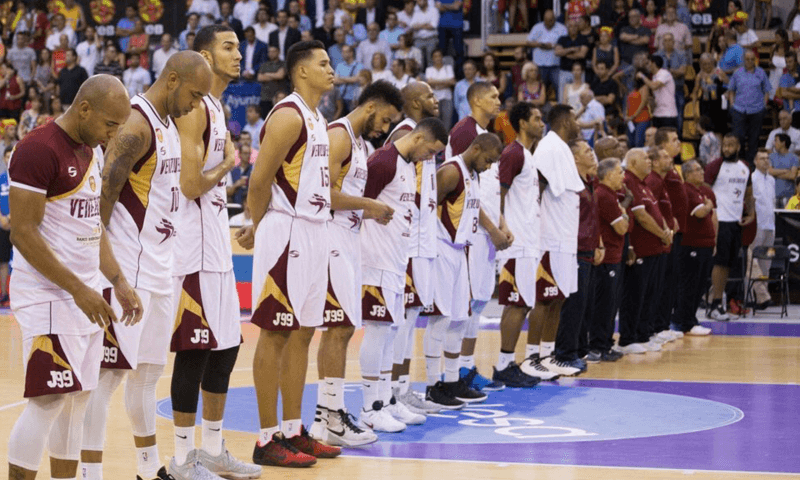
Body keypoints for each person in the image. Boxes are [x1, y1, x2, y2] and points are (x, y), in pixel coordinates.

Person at [78, 52, 214, 480]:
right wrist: (106, 272)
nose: (196, 105)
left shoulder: (169, 124)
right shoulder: (136, 125)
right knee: (107, 378)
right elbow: (101, 201)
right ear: (172, 79)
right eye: (194, 94)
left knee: (149, 374)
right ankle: (89, 473)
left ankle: (148, 467)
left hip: (161, 266)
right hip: (127, 270)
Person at [7, 75, 140, 480]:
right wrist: (80, 289)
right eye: (110, 124)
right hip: (47, 295)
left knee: (77, 399)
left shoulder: (91, 150)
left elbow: (93, 229)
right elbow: (24, 233)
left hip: (85, 295)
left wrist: (118, 282)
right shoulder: (37, 149)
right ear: (84, 108)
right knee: (48, 399)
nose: (114, 133)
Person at [246, 40, 339, 468]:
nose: (331, 69)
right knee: (275, 332)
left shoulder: (318, 117)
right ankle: (266, 439)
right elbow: (259, 180)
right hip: (287, 232)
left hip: (316, 230)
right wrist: (257, 223)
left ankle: (293, 430)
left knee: (303, 332)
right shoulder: (287, 114)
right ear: (301, 71)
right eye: (323, 64)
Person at [310, 80, 402, 445]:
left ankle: (326, 416)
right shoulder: (340, 135)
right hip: (330, 240)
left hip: (350, 240)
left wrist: (369, 213)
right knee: (338, 328)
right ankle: (329, 417)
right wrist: (370, 206)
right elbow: (325, 195)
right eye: (385, 119)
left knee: (345, 328)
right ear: (370, 107)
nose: (384, 128)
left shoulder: (362, 145)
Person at [358, 118, 448, 429]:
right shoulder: (383, 161)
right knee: (378, 331)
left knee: (391, 333)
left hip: (397, 260)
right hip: (375, 260)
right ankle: (370, 408)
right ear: (418, 136)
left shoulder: (409, 166)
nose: (429, 157)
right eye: (430, 150)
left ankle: (386, 400)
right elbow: (354, 205)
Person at [423, 133, 506, 407]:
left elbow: (474, 208)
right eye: (488, 159)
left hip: (461, 251)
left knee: (460, 317)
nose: (489, 166)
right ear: (476, 147)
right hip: (441, 248)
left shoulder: (473, 174)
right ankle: (432, 386)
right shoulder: (449, 171)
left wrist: (493, 228)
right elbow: (425, 206)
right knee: (441, 318)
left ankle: (450, 380)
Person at [445, 82, 509, 395]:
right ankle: (453, 372)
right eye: (493, 95)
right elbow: (464, 189)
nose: (499, 100)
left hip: (485, 232)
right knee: (467, 304)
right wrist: (493, 227)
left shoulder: (487, 136)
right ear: (475, 99)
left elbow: (488, 191)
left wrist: (501, 221)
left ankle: (467, 367)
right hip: (468, 232)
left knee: (480, 300)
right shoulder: (464, 132)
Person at [387, 81, 446, 416]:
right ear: (411, 101)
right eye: (428, 96)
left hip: (424, 241)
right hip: (407, 242)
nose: (434, 100)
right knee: (401, 321)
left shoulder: (423, 134)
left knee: (410, 319)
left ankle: (403, 389)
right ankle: (393, 393)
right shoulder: (404, 134)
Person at [518, 104, 585, 376]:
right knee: (544, 300)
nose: (579, 124)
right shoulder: (548, 147)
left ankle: (548, 356)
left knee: (558, 299)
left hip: (566, 239)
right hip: (550, 238)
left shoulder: (562, 148)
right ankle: (531, 357)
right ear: (566, 120)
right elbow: (539, 187)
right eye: (576, 119)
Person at [494, 101, 550, 385]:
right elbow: (498, 194)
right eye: (537, 119)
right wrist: (501, 229)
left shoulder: (527, 155)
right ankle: (503, 365)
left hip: (528, 243)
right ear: (523, 123)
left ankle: (506, 362)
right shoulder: (513, 153)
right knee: (516, 304)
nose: (542, 123)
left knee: (522, 304)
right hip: (515, 244)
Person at [554, 139, 603, 365]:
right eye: (587, 150)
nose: (592, 153)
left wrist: (599, 243)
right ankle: (564, 354)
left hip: (589, 249)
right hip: (573, 250)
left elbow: (593, 217)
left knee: (585, 305)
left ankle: (578, 350)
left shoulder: (590, 182)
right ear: (574, 157)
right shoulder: (569, 183)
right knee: (573, 305)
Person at [618, 148, 672, 354]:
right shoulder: (630, 180)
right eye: (645, 158)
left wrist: (665, 231)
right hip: (641, 248)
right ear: (632, 162)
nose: (649, 161)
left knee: (649, 294)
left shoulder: (643, 184)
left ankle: (643, 334)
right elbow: (640, 216)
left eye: (650, 158)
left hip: (655, 248)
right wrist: (662, 233)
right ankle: (628, 338)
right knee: (635, 294)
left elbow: (653, 212)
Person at [705, 134, 754, 320]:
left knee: (727, 264)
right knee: (719, 262)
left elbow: (749, 193)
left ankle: (719, 302)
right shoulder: (715, 166)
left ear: (738, 147)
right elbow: (704, 190)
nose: (726, 148)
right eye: (724, 145)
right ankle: (714, 304)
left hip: (735, 221)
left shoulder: (744, 167)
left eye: (730, 145)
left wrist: (751, 213)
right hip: (721, 220)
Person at [589, 158, 630, 360]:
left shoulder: (609, 194)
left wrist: (622, 213)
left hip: (613, 255)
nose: (624, 176)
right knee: (604, 304)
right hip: (607, 257)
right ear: (609, 174)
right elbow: (622, 228)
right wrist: (624, 215)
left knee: (610, 303)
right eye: (620, 172)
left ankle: (605, 343)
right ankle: (598, 346)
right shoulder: (604, 195)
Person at [675, 160, 715, 335]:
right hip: (692, 244)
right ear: (688, 174)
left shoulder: (700, 191)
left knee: (699, 284)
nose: (702, 172)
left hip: (704, 244)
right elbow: (700, 212)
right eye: (697, 170)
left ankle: (689, 319)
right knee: (690, 284)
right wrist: (708, 206)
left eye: (701, 169)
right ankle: (686, 322)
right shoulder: (687, 190)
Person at [728, 50, 770, 166]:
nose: (750, 61)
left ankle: (751, 165)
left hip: (756, 110)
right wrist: (732, 104)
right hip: (739, 109)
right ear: (744, 60)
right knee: (738, 136)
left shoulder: (761, 73)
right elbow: (731, 90)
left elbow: (767, 90)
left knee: (754, 139)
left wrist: (764, 105)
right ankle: (740, 162)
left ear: (755, 60)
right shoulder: (737, 73)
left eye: (752, 59)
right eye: (747, 59)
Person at [749, 150, 775, 309]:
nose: (765, 161)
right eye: (762, 158)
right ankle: (753, 295)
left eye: (767, 158)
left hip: (770, 226)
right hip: (757, 226)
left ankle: (762, 297)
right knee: (753, 261)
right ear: (755, 161)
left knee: (767, 263)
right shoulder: (751, 178)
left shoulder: (771, 179)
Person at [526, 10, 566, 100]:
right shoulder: (537, 27)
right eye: (546, 20)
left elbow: (566, 43)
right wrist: (540, 45)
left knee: (559, 88)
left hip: (555, 65)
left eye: (551, 20)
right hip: (539, 65)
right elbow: (528, 42)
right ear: (543, 19)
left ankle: (560, 109)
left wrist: (553, 46)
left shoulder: (562, 28)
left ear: (554, 19)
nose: (548, 23)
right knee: (539, 90)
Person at [656, 33, 688, 133]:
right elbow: (656, 73)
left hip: (677, 88)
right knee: (662, 115)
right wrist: (674, 72)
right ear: (662, 43)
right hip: (661, 91)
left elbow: (683, 71)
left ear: (674, 42)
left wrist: (666, 74)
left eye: (670, 40)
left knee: (679, 114)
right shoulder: (657, 55)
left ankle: (677, 136)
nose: (668, 42)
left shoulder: (681, 54)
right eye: (665, 40)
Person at [638, 55, 677, 129]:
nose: (647, 66)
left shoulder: (664, 73)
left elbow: (654, 86)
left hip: (668, 115)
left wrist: (642, 76)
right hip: (657, 113)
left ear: (654, 64)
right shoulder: (654, 77)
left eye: (648, 63)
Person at [555, 19, 589, 101]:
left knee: (580, 98)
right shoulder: (562, 39)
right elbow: (557, 52)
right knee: (563, 98)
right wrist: (571, 49)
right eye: (570, 26)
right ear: (567, 28)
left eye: (575, 26)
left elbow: (582, 54)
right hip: (565, 72)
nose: (573, 28)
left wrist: (565, 53)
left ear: (578, 28)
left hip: (579, 73)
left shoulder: (583, 39)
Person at [692, 53, 725, 135]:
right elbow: (695, 92)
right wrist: (694, 107)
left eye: (709, 63)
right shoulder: (699, 75)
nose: (707, 66)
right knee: (706, 128)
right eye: (704, 64)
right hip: (705, 105)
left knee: (719, 129)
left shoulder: (718, 71)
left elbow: (728, 85)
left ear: (713, 63)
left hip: (718, 104)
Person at [426, 49, 456, 130]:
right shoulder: (429, 69)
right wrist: (445, 82)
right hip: (434, 99)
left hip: (447, 98)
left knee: (447, 123)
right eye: (435, 56)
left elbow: (452, 82)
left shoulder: (448, 68)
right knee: (436, 124)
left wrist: (435, 84)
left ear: (442, 57)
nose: (438, 58)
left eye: (439, 56)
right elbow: (429, 82)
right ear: (432, 58)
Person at [768, 133, 799, 206]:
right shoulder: (771, 156)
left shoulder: (794, 158)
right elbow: (769, 171)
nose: (774, 143)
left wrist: (775, 174)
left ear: (783, 143)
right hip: (773, 196)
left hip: (789, 196)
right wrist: (785, 171)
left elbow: (792, 176)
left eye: (776, 141)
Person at [257, 45, 288, 116]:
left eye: (273, 51)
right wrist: (275, 75)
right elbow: (260, 77)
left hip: (279, 97)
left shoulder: (283, 63)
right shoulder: (264, 64)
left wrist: (266, 74)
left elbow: (280, 76)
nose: (271, 53)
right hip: (266, 97)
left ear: (278, 52)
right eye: (270, 52)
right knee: (266, 119)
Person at [436, 0, 464, 76]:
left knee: (459, 52)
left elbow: (456, 6)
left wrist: (444, 6)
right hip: (442, 25)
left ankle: (459, 75)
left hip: (457, 25)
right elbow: (438, 7)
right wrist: (451, 6)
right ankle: (442, 74)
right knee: (442, 52)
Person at [409, 0, 440, 69]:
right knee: (417, 62)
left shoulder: (434, 10)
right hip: (418, 39)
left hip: (431, 38)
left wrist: (419, 25)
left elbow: (433, 26)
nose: (419, 2)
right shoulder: (416, 12)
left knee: (431, 61)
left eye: (421, 0)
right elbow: (412, 26)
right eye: (418, 1)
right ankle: (419, 77)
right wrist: (425, 24)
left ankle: (431, 77)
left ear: (426, 1)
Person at [334, 44, 365, 113]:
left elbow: (356, 79)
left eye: (345, 52)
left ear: (351, 53)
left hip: (353, 99)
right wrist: (350, 79)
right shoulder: (340, 65)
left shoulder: (359, 66)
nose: (343, 54)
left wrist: (341, 78)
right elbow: (335, 80)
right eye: (342, 52)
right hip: (340, 98)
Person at [626, 73, 651, 148]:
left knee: (638, 143)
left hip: (642, 119)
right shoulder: (633, 89)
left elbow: (643, 103)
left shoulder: (644, 87)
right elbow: (628, 103)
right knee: (631, 142)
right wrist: (627, 115)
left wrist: (634, 115)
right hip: (631, 120)